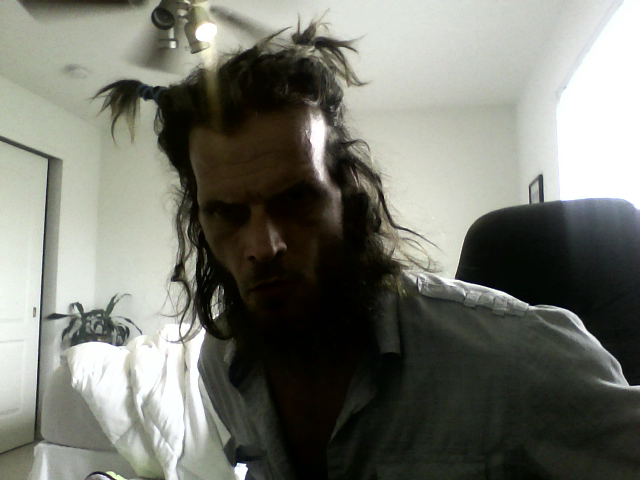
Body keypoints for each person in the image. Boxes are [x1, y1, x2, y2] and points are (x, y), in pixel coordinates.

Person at [97, 21, 640, 480]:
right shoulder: (223, 364)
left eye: (297, 199)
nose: (263, 246)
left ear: (349, 197)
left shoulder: (519, 359)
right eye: (227, 213)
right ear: (200, 221)